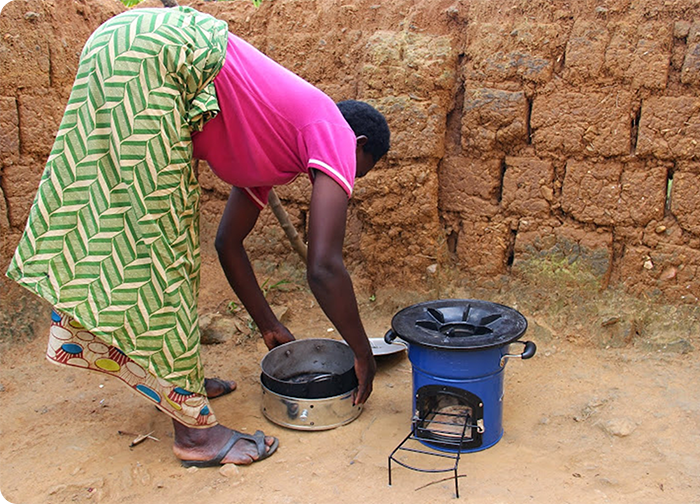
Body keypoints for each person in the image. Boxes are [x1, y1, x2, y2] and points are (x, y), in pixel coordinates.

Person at [6, 6, 389, 468]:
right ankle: (195, 437)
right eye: (357, 173)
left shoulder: (274, 145)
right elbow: (324, 266)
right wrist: (362, 355)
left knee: (143, 244)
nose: (345, 180)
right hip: (154, 52)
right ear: (360, 146)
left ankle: (172, 383)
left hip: (128, 45)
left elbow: (228, 243)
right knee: (159, 250)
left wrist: (268, 323)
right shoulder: (333, 128)